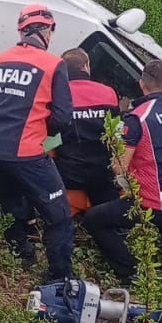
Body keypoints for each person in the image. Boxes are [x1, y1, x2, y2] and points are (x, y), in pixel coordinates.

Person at [82, 58, 162, 283]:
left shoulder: (138, 117)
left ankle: (130, 273)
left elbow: (120, 166)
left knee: (94, 219)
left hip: (153, 203)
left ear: (142, 84)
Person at [0, 3, 74, 278]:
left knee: (12, 203)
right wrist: (47, 141)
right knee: (60, 215)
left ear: (21, 30)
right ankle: (60, 277)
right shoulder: (54, 64)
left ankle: (22, 254)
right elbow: (63, 118)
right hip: (28, 152)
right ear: (47, 30)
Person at [56, 48, 121, 207]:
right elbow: (116, 135)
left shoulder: (57, 96)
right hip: (102, 173)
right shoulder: (108, 93)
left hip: (68, 175)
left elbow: (50, 138)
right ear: (86, 66)